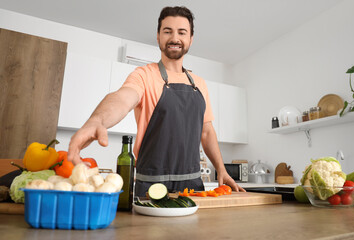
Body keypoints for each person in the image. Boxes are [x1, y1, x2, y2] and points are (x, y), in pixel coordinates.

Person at [67, 6, 245, 196]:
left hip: (192, 188)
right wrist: (97, 120)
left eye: (182, 32)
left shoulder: (200, 84)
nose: (175, 38)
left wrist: (222, 169)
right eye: (167, 31)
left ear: (190, 39)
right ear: (158, 36)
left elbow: (207, 132)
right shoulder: (143, 75)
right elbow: (122, 98)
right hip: (150, 188)